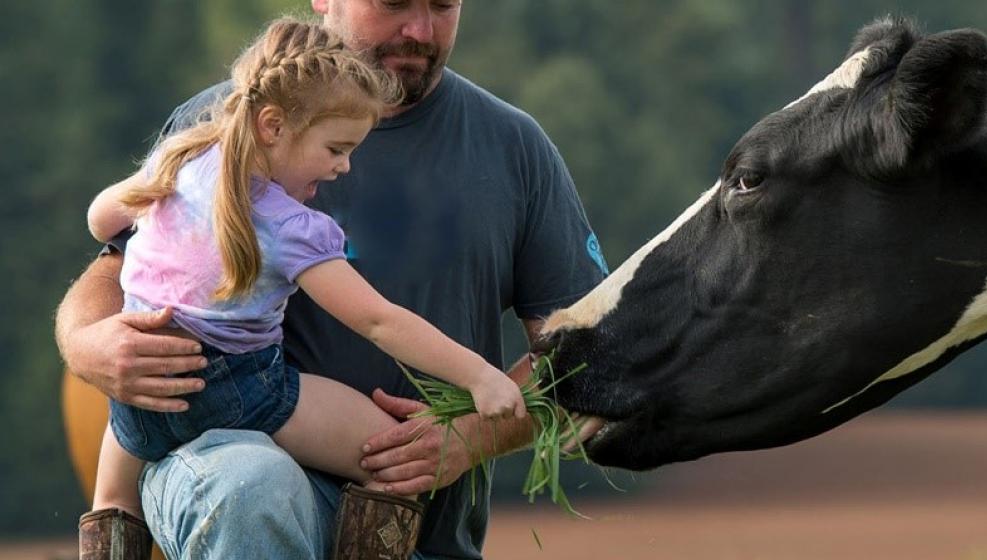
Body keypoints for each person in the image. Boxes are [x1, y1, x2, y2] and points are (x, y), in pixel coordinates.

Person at [56, 1, 609, 558]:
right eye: (392, 2)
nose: (420, 29)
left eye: (442, 4)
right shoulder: (214, 124)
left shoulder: (516, 147)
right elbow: (115, 267)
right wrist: (87, 343)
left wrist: (471, 436)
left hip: (428, 537)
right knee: (253, 487)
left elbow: (584, 356)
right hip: (227, 480)